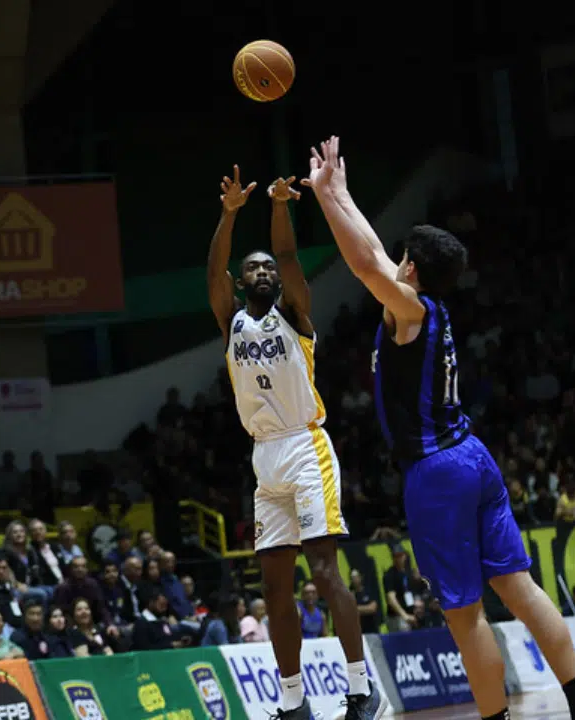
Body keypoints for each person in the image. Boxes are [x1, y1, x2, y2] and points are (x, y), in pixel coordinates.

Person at [305, 137, 575, 720]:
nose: (394, 262)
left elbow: (366, 263)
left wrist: (325, 202)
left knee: (465, 615)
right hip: (474, 457)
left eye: (403, 258)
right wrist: (338, 191)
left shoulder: (408, 310)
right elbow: (375, 254)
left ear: (412, 268)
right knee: (520, 588)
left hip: (436, 473)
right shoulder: (428, 307)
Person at [207, 164, 382, 719]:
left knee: (325, 573)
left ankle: (362, 690)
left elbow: (287, 255)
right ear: (241, 282)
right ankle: (292, 702)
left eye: (268, 268)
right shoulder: (232, 323)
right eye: (252, 268)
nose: (263, 271)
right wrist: (228, 215)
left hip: (306, 448)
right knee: (275, 589)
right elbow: (212, 270)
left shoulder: (295, 315)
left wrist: (280, 206)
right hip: (265, 458)